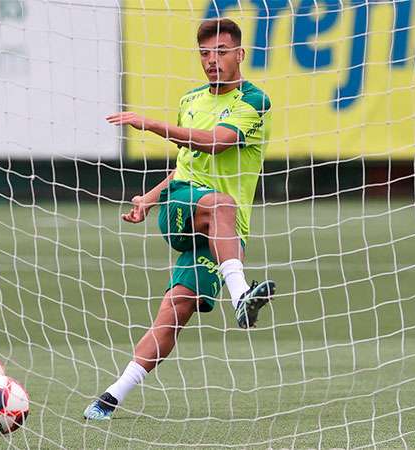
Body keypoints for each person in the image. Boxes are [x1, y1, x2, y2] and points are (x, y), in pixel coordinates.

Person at [83, 17, 275, 420]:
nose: (211, 60)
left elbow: (215, 144)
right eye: (205, 53)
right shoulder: (190, 101)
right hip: (185, 210)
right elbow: (185, 167)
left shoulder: (254, 101)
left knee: (178, 308)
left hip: (221, 231)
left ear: (240, 54)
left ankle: (110, 397)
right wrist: (154, 198)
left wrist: (150, 134)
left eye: (221, 51)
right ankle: (241, 294)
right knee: (221, 203)